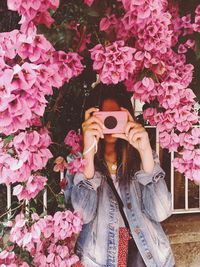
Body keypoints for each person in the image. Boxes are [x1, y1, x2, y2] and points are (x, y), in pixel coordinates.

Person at [70, 83, 175, 267]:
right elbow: (82, 215)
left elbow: (161, 212)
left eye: (115, 116)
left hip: (150, 255)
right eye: (102, 117)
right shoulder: (77, 161)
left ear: (128, 118)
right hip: (105, 256)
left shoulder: (141, 158)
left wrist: (145, 153)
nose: (109, 122)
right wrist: (88, 154)